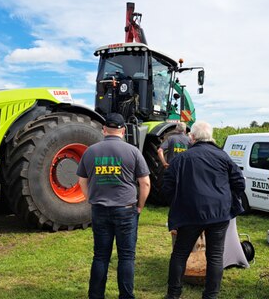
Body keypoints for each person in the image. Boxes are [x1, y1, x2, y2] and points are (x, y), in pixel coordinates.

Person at [162, 121, 245, 299]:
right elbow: (240, 182)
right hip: (218, 213)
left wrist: (176, 203)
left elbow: (167, 186)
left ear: (192, 137)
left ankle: (173, 294)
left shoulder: (181, 158)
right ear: (210, 136)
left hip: (189, 213)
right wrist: (228, 199)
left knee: (180, 253)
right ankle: (211, 295)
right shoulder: (223, 156)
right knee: (215, 255)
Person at [77, 113, 151, 299]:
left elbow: (82, 181)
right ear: (123, 130)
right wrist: (140, 206)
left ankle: (95, 295)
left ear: (104, 130)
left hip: (99, 209)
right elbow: (145, 183)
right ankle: (126, 296)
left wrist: (90, 199)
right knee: (126, 257)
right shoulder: (133, 151)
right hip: (126, 209)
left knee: (100, 256)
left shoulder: (90, 151)